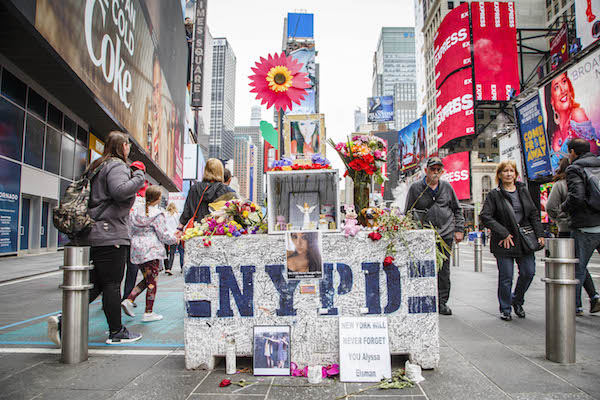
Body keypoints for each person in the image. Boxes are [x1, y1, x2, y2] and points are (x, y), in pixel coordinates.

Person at [48, 131, 145, 345]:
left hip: (94, 233)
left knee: (97, 285)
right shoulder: (117, 165)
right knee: (112, 284)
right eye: (128, 145)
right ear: (122, 146)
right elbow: (119, 191)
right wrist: (138, 177)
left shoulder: (96, 166)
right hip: (110, 235)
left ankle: (63, 320)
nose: (129, 149)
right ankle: (116, 332)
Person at [480, 160, 545, 321]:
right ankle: (505, 308)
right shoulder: (494, 195)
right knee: (506, 276)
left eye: (511, 171)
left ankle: (517, 300)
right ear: (499, 175)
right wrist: (503, 232)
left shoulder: (523, 191)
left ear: (516, 174)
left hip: (524, 240)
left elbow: (533, 214)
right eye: (505, 171)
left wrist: (540, 234)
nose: (509, 174)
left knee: (528, 272)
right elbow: (485, 216)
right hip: (504, 242)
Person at [405, 157, 465, 316]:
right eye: (433, 169)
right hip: (423, 236)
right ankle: (423, 299)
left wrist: (459, 229)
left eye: (439, 169)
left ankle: (442, 302)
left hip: (445, 235)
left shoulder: (447, 187)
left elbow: (457, 210)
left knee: (443, 271)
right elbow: (408, 212)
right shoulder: (416, 188)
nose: (435, 172)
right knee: (422, 269)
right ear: (426, 171)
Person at [547, 157, 600, 315]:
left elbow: (550, 207)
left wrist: (560, 218)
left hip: (570, 229)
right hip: (592, 226)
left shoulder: (561, 185)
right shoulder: (590, 181)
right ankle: (593, 296)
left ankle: (575, 305)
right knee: (580, 266)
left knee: (575, 267)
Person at [122, 186, 178, 322]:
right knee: (152, 281)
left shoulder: (135, 212)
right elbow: (163, 234)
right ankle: (148, 311)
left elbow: (130, 229)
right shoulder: (158, 214)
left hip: (137, 249)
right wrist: (174, 239)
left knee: (148, 278)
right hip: (152, 250)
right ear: (158, 198)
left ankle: (129, 299)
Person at [560, 138, 600, 315]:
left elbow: (576, 196)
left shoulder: (574, 168)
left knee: (578, 268)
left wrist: (564, 208)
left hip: (586, 226)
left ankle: (574, 307)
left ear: (573, 152)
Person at [545, 72, 597, 171]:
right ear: (551, 100)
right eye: (556, 87)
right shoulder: (553, 133)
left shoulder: (577, 115)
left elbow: (594, 155)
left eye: (564, 82)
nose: (562, 90)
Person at [176, 158, 233, 235]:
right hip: (218, 232)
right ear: (220, 172)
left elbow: (187, 211)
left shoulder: (195, 188)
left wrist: (180, 228)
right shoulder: (226, 190)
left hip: (197, 231)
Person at [164, 202, 184, 275]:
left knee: (166, 252)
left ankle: (167, 268)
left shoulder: (165, 215)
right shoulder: (177, 215)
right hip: (175, 235)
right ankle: (181, 267)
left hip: (166, 235)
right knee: (176, 252)